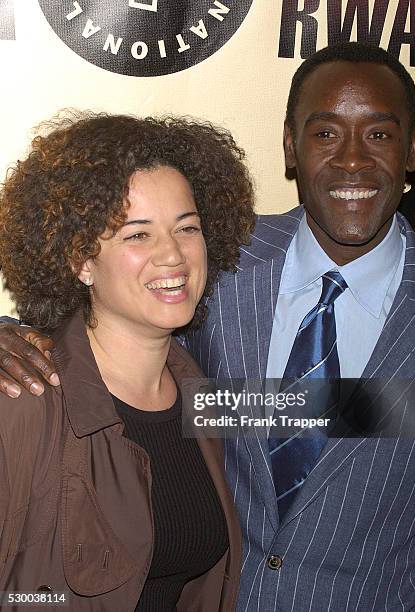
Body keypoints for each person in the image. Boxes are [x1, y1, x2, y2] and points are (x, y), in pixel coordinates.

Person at [1, 42, 415, 611]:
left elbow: (294, 415)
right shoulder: (224, 262)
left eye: (379, 134)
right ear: (289, 144)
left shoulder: (203, 270)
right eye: (325, 133)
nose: (352, 160)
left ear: (412, 148)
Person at [0, 112, 256, 610]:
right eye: (137, 235)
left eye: (187, 228)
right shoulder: (23, 401)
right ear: (81, 260)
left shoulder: (202, 392)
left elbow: (363, 413)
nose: (173, 256)